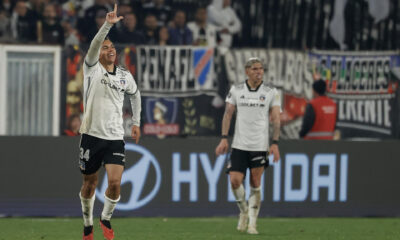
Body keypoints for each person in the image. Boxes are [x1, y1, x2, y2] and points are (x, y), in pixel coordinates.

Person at [78, 4, 141, 240]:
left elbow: (135, 95)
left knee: (115, 183)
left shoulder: (125, 76)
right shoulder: (92, 68)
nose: (109, 49)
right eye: (105, 47)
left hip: (115, 137)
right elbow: (95, 45)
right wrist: (107, 26)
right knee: (89, 185)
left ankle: (105, 217)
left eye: (112, 46)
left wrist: (136, 122)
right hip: (91, 135)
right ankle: (87, 225)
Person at [215, 57, 281, 235]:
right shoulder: (236, 90)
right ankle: (244, 211)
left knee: (255, 182)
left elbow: (276, 118)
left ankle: (252, 223)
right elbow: (228, 114)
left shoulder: (271, 92)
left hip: (259, 145)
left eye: (261, 68)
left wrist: (275, 143)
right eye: (254, 69)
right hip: (239, 144)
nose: (259, 71)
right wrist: (223, 138)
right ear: (247, 71)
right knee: (235, 181)